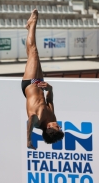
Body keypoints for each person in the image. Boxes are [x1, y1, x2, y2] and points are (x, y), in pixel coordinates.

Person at [21, 9, 64, 150]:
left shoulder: (37, 120)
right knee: (33, 54)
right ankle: (29, 28)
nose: (59, 125)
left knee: (33, 51)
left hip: (29, 84)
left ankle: (32, 23)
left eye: (58, 127)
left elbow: (29, 123)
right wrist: (49, 88)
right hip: (39, 83)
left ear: (50, 128)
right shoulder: (52, 118)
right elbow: (49, 99)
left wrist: (28, 140)